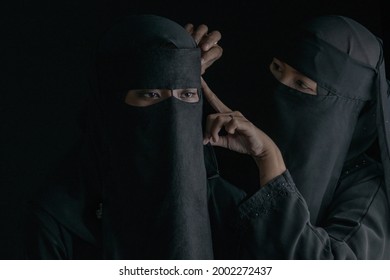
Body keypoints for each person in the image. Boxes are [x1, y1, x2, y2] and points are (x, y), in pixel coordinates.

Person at [24, 14, 286, 259]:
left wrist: (267, 155)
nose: (172, 113)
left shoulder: (221, 200)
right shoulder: (59, 218)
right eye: (151, 94)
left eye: (186, 94)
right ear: (111, 102)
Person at [199, 15, 390, 259]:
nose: (280, 88)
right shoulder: (234, 141)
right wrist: (181, 72)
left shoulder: (368, 191)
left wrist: (270, 162)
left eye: (302, 84)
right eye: (277, 69)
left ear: (349, 109)